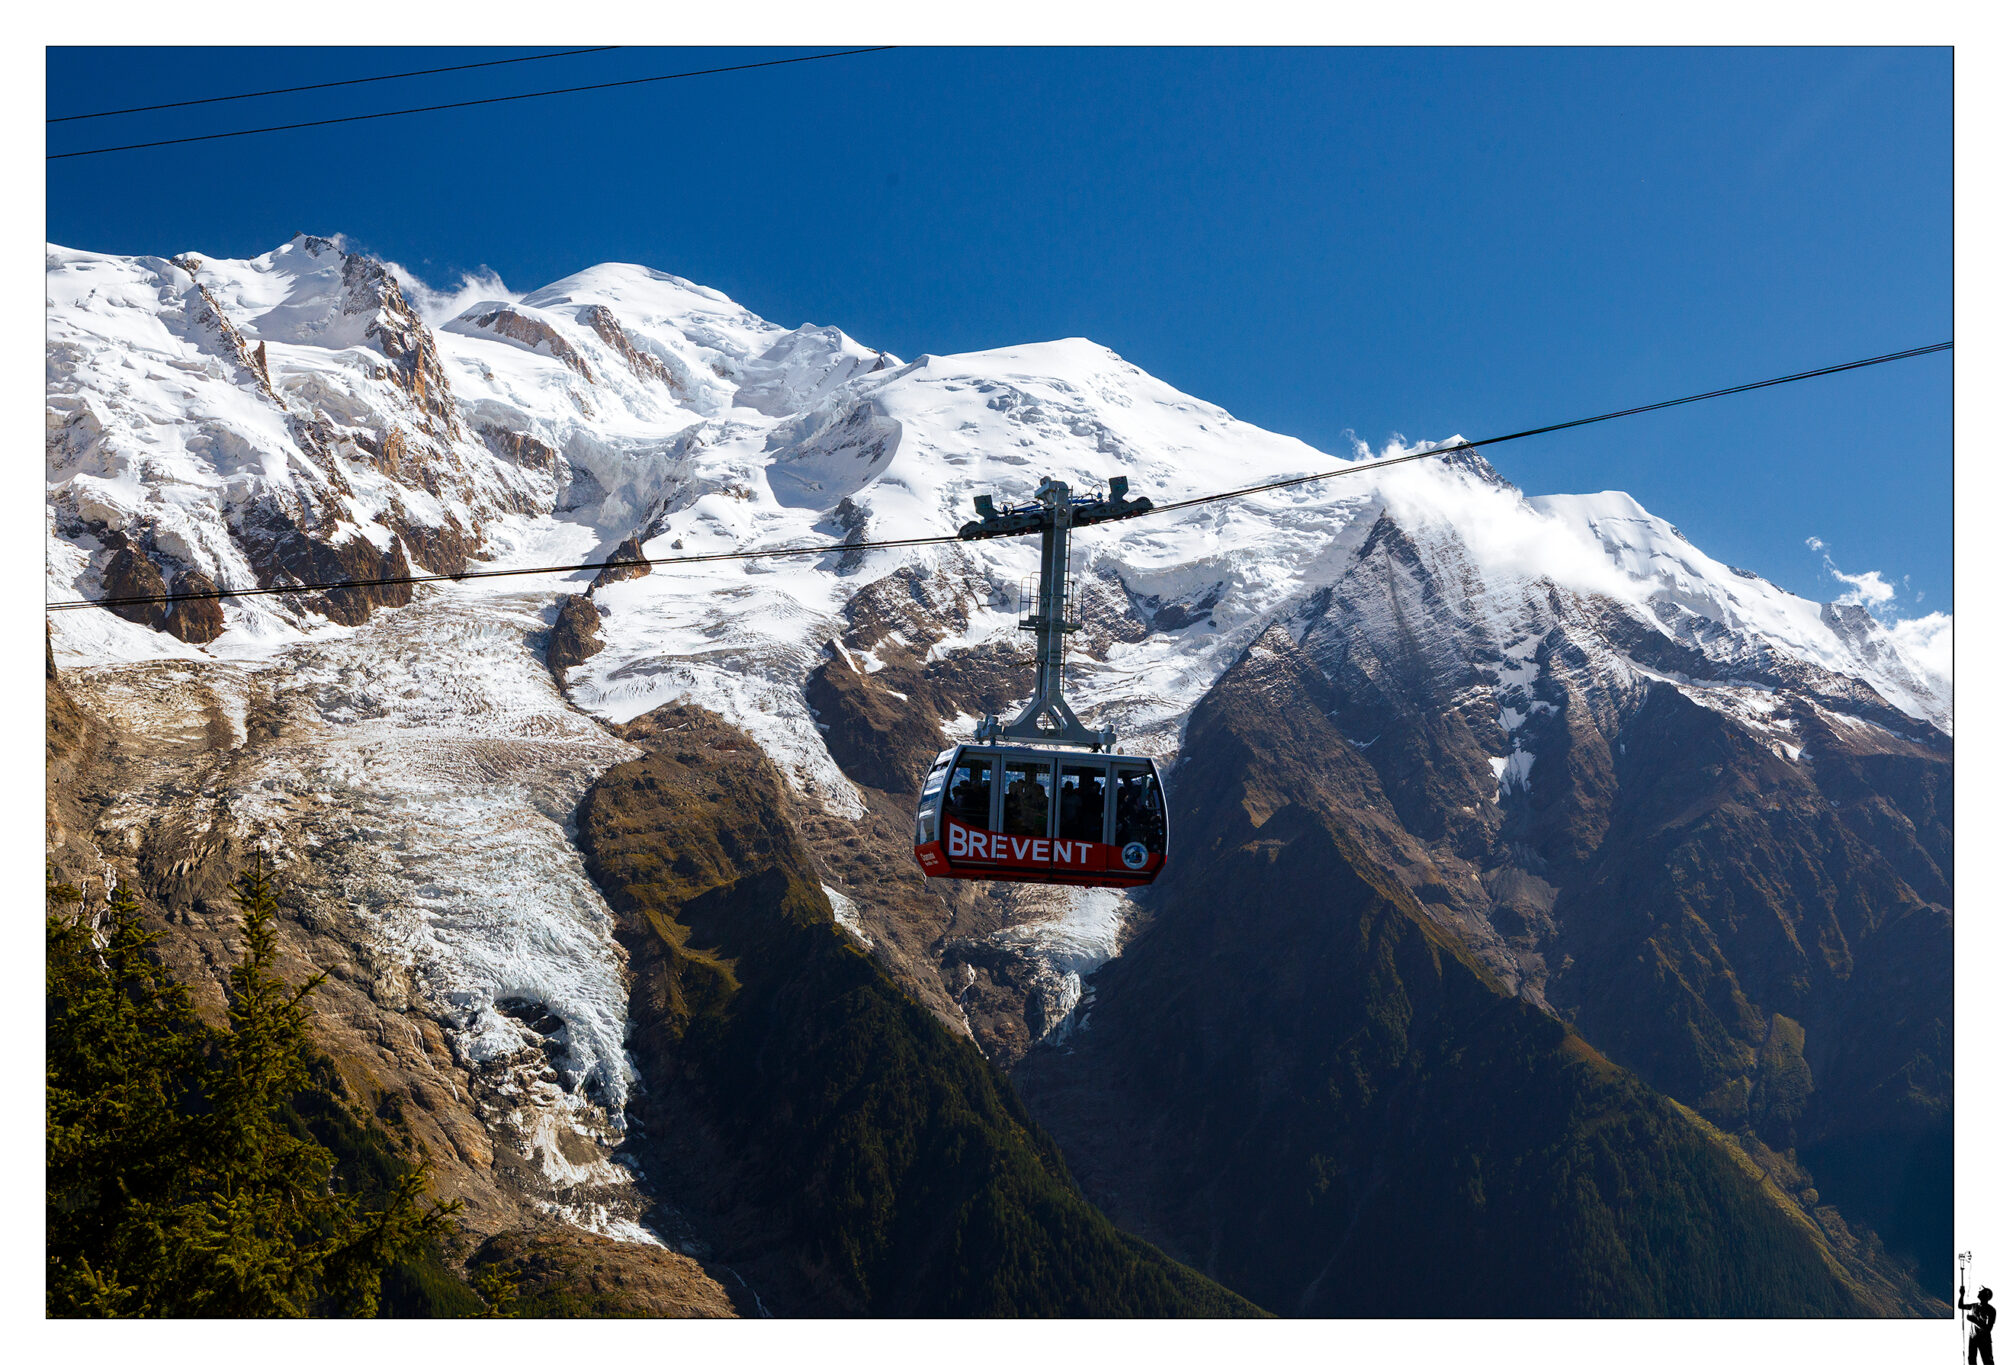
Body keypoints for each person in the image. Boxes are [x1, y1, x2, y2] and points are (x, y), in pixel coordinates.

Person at [1963, 1284, 1996, 1365]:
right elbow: (1960, 1306)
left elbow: (1988, 1329)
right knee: (1971, 1360)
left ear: (1985, 1296)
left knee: (1987, 1361)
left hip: (1984, 1339)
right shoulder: (1974, 1305)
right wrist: (1961, 1294)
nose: (1979, 1292)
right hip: (1973, 1338)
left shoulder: (1991, 1310)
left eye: (1981, 1292)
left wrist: (1974, 1321)